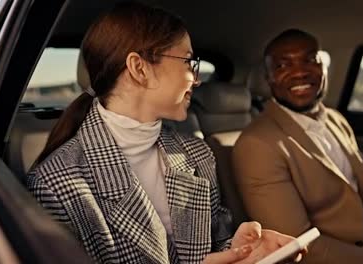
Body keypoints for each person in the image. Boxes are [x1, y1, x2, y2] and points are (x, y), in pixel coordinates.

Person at [26, 3, 302, 263]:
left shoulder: (197, 154)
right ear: (140, 69)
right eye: (188, 62)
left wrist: (240, 250)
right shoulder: (56, 185)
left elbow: (213, 245)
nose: (196, 78)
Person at [232, 29, 363, 263]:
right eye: (282, 65)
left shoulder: (334, 119)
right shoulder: (256, 145)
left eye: (310, 60)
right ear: (269, 78)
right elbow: (297, 245)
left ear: (323, 67)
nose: (299, 72)